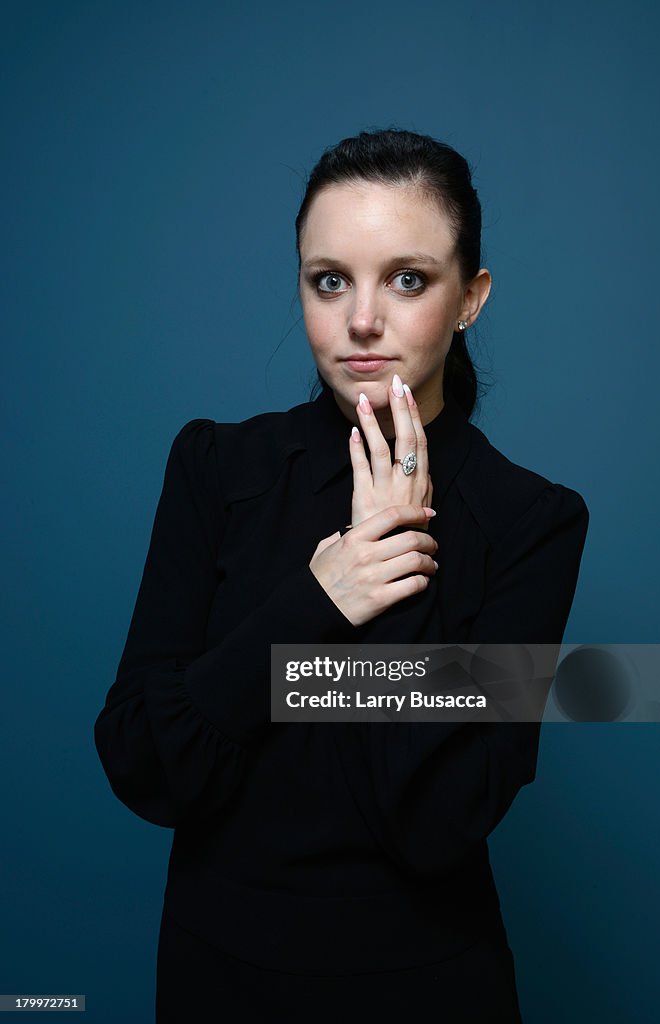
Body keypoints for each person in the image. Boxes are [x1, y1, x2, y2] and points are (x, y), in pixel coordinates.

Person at [94, 127, 590, 1022]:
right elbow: (143, 762)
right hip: (220, 982)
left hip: (427, 991)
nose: (362, 320)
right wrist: (318, 598)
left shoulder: (532, 521)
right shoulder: (216, 468)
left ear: (469, 298)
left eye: (408, 278)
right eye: (330, 280)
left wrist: (387, 563)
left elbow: (436, 822)